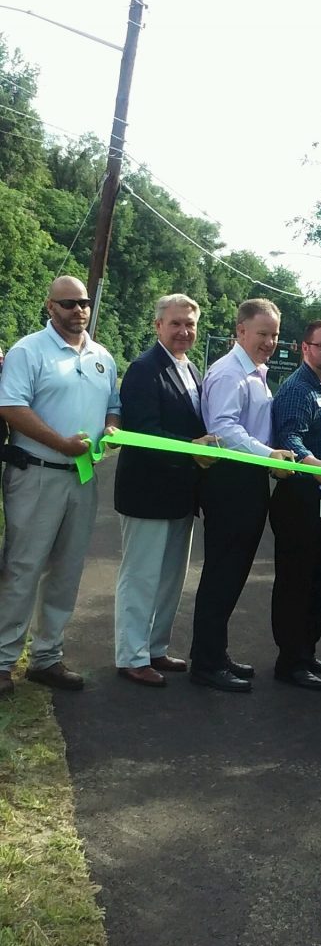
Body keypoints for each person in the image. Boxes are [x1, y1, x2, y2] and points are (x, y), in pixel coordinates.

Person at [0, 275, 120, 697]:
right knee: (23, 568)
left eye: (84, 303)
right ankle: (3, 660)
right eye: (68, 303)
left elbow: (112, 408)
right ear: (50, 306)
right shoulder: (28, 350)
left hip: (82, 478)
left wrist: (109, 430)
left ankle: (47, 657)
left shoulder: (103, 356)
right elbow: (11, 407)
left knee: (67, 571)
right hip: (36, 472)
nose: (79, 310)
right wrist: (61, 444)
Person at [189, 299, 294, 693]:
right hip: (229, 483)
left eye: (275, 334)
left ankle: (216, 653)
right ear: (241, 331)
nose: (269, 341)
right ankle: (206, 663)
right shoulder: (230, 373)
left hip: (247, 482)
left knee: (232, 575)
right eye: (263, 333)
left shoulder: (256, 372)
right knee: (221, 574)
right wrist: (269, 454)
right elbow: (224, 430)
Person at [114, 294, 211, 688]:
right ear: (158, 326)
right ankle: (131, 656)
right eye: (176, 323)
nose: (184, 331)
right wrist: (194, 452)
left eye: (190, 324)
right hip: (146, 492)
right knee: (141, 576)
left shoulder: (192, 370)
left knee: (171, 577)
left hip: (181, 494)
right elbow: (142, 432)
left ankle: (155, 648)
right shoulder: (144, 369)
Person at [269, 320, 321, 691]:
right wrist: (314, 466)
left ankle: (308, 649)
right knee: (296, 581)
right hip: (301, 500)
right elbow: (289, 438)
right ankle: (289, 661)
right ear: (305, 349)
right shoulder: (295, 390)